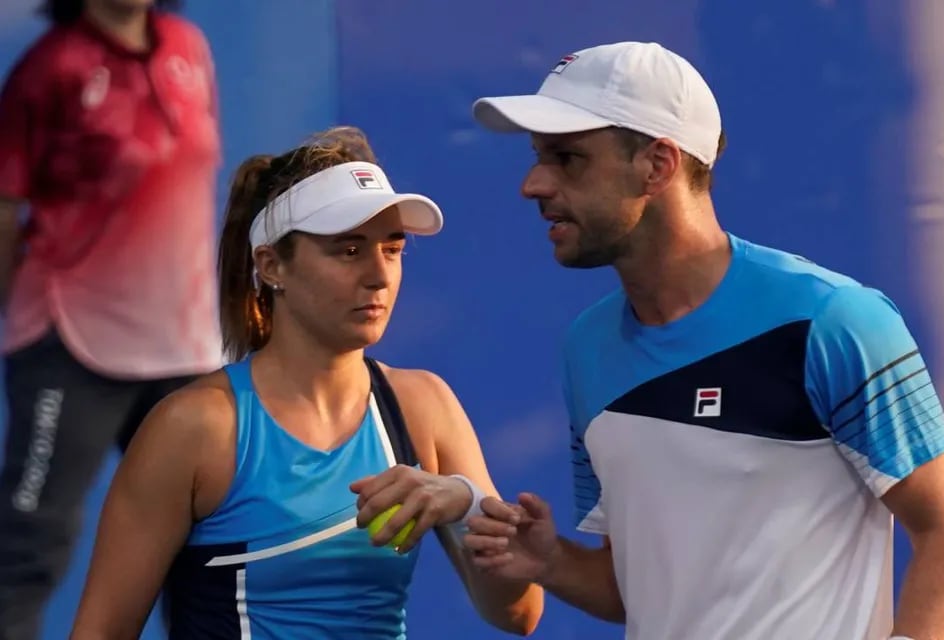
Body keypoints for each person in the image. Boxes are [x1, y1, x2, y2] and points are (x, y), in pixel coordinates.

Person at [462, 41, 944, 640]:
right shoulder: (587, 347)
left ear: (658, 165)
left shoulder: (833, 318)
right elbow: (637, 587)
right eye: (537, 157)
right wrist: (552, 562)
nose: (533, 184)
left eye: (568, 159)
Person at [69, 126, 545, 639]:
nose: (379, 276)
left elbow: (518, 614)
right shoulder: (195, 427)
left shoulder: (423, 405)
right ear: (272, 265)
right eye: (348, 250)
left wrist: (467, 504)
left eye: (391, 249)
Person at [0, 0, 222, 636]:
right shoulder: (51, 69)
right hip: (69, 344)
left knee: (204, 552)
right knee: (29, 547)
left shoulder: (188, 45)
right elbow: (5, 208)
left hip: (184, 348)